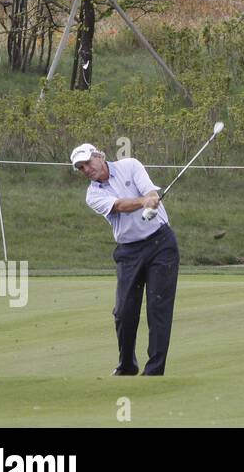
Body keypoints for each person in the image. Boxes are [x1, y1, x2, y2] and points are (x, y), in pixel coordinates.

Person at [71, 144, 180, 376]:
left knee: (158, 308)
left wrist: (150, 199)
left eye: (88, 163)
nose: (86, 169)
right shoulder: (93, 194)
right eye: (81, 168)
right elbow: (119, 206)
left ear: (99, 156)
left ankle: (154, 371)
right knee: (123, 312)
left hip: (161, 244)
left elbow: (150, 191)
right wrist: (142, 203)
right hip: (129, 251)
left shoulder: (130, 165)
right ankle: (127, 365)